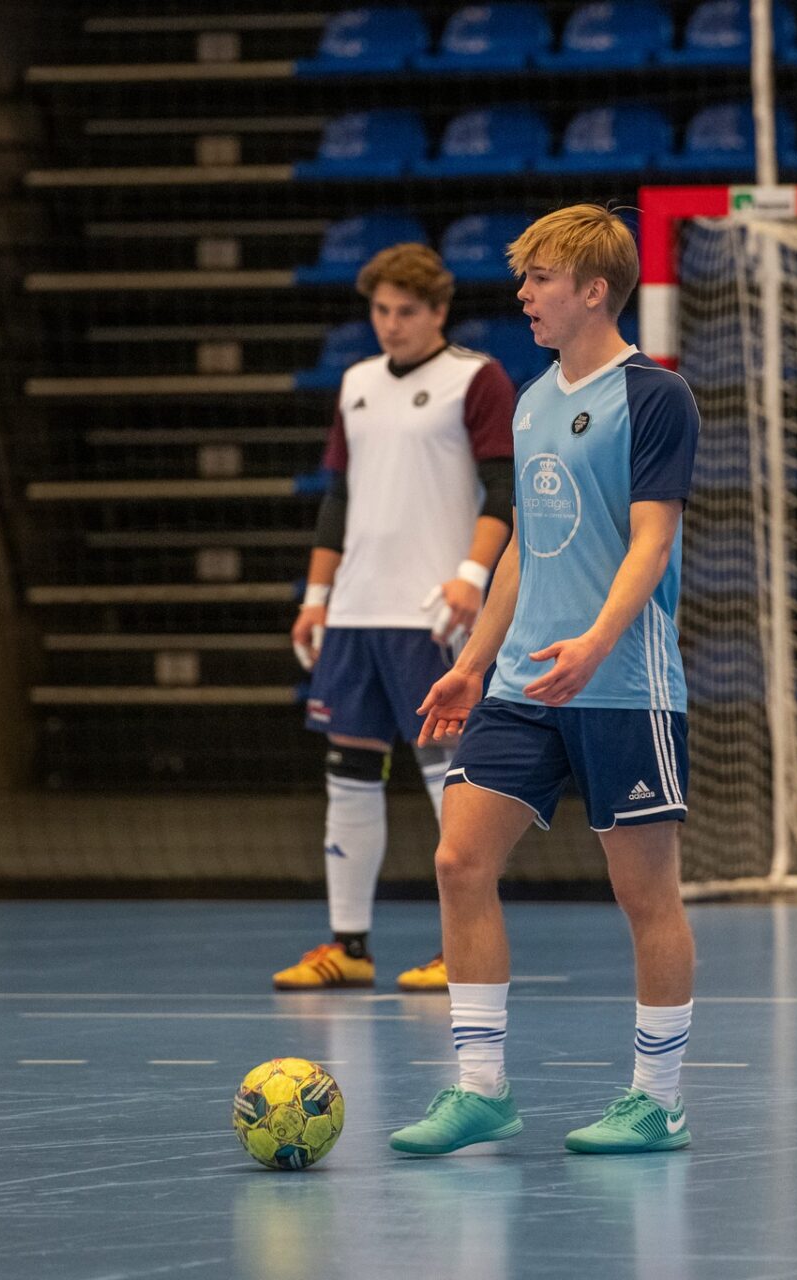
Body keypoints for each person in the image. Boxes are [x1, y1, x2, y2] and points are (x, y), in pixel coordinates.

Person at [387, 205, 701, 1156]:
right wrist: (474, 663)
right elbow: (525, 544)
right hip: (526, 684)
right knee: (457, 860)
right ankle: (480, 1088)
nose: (522, 294)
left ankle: (659, 1100)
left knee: (645, 896)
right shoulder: (529, 401)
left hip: (622, 685)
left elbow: (653, 538)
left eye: (540, 280)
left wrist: (601, 641)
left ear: (594, 289)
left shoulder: (655, 396)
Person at [274, 243, 515, 993]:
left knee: (449, 776)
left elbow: (503, 493)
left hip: (430, 615)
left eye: (405, 311)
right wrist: (316, 599)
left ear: (438, 311)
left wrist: (472, 577)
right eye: (379, 311)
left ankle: (460, 948)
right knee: (348, 773)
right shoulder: (355, 383)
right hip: (354, 611)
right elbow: (338, 500)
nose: (390, 324)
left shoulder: (476, 380)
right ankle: (348, 947)